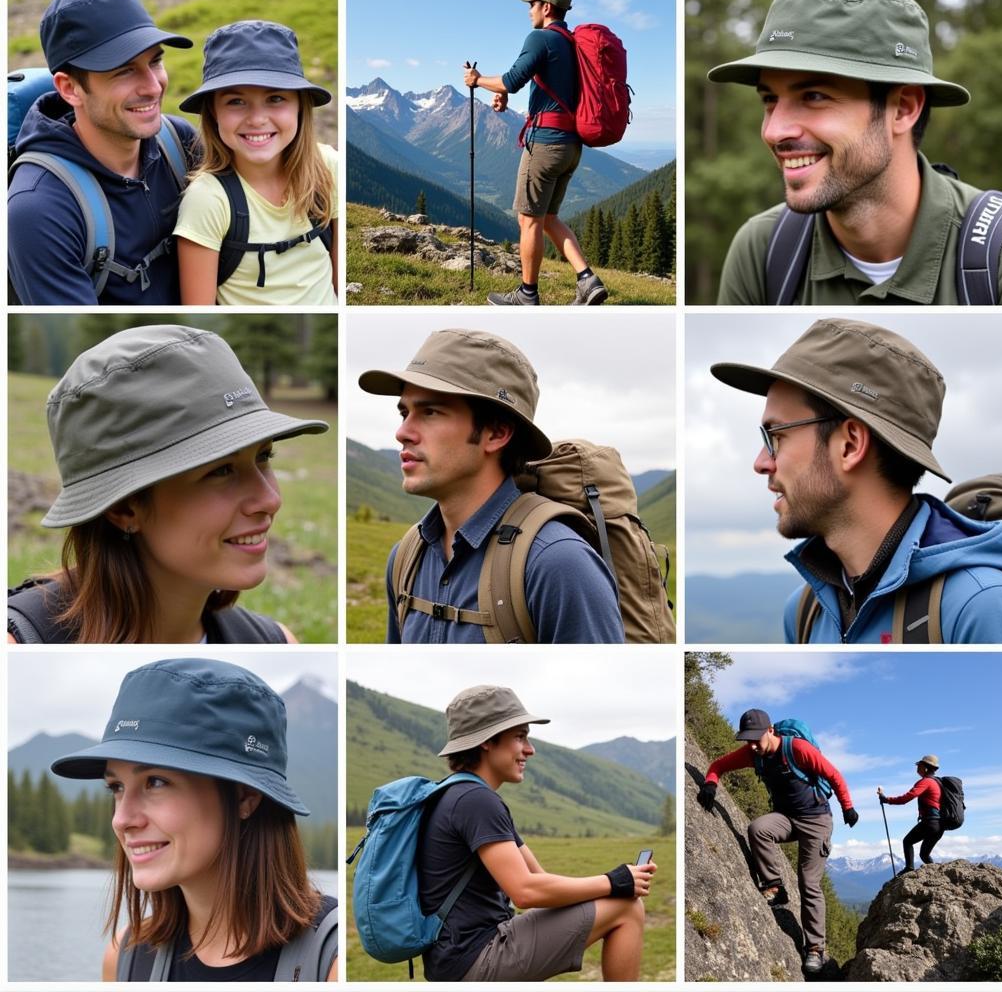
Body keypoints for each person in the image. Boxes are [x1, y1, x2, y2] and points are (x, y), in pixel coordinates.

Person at [7, 324, 329, 644]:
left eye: (264, 456)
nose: (270, 499)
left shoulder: (274, 642)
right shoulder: (18, 648)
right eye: (220, 471)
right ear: (123, 507)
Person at [707, 0, 1002, 305]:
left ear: (903, 109)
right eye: (769, 99)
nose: (774, 131)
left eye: (813, 96)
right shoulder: (762, 251)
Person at [711, 317, 1002, 643]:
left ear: (851, 445)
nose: (761, 463)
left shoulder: (980, 606)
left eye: (776, 436)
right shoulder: (803, 612)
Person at [49, 657, 338, 981]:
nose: (122, 819)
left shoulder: (331, 963)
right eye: (115, 787)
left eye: (156, 782)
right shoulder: (126, 959)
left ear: (245, 796)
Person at [358, 328, 625, 643]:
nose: (402, 431)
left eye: (430, 412)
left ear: (497, 433)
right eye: (405, 412)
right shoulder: (405, 558)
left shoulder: (558, 563)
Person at [417, 684, 655, 981]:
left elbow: (539, 878)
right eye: (520, 737)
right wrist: (614, 883)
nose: (530, 749)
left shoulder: (461, 794)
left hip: (459, 957)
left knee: (619, 898)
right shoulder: (476, 801)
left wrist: (616, 881)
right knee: (627, 908)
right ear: (488, 741)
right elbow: (526, 892)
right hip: (474, 959)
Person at [8, 0, 198, 305]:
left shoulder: (180, 143)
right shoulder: (39, 210)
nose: (153, 87)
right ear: (69, 89)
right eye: (125, 71)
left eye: (155, 61)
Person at [462, 0, 608, 306]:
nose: (529, 11)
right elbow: (549, 93)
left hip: (544, 144)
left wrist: (477, 80)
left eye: (532, 5)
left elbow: (513, 80)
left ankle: (527, 294)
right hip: (571, 145)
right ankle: (588, 279)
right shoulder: (573, 45)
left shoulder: (540, 38)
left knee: (528, 220)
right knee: (550, 218)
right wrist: (502, 96)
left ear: (546, 7)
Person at [173, 21, 338, 304]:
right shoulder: (208, 200)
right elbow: (197, 312)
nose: (257, 118)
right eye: (236, 102)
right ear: (213, 111)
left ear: (301, 105)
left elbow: (338, 286)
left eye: (275, 99)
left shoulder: (327, 167)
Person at [696, 709, 858, 975]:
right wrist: (711, 784)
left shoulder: (797, 748)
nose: (752, 745)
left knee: (808, 882)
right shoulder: (753, 754)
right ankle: (774, 886)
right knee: (758, 829)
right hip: (787, 817)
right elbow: (718, 765)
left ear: (770, 731)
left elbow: (834, 775)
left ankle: (815, 949)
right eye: (747, 740)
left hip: (816, 821)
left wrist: (847, 807)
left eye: (756, 738)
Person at [878, 754, 944, 875]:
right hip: (939, 825)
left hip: (930, 822)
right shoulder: (937, 783)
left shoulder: (926, 782)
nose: (917, 768)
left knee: (907, 841)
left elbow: (906, 798)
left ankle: (909, 868)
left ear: (925, 768)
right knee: (924, 855)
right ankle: (938, 876)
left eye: (919, 765)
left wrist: (887, 799)